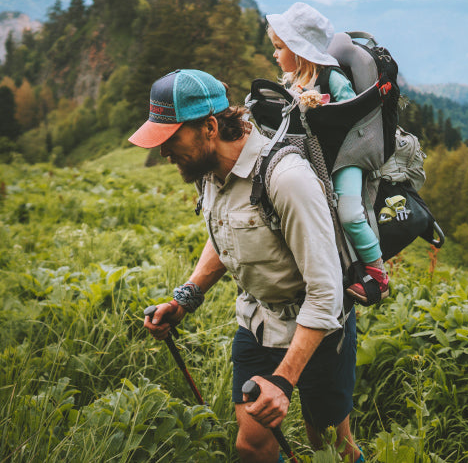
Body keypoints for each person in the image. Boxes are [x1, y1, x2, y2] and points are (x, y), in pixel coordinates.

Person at [129, 68, 363, 463]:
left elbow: (325, 294)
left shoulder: (286, 179)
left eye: (171, 137)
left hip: (318, 330)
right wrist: (186, 297)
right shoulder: (208, 171)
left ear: (210, 126)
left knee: (329, 445)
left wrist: (284, 383)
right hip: (257, 321)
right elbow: (227, 235)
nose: (163, 151)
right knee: (251, 446)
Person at [266, 2, 388, 301]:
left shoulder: (332, 78)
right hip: (318, 154)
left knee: (348, 215)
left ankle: (378, 273)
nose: (274, 54)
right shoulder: (295, 82)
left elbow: (351, 112)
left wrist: (322, 104)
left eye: (280, 47)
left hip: (347, 154)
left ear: (299, 50)